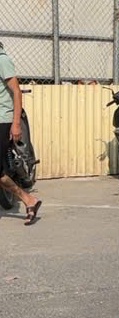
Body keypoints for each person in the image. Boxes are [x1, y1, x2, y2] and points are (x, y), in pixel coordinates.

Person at [0, 43, 41, 225]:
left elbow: (16, 92)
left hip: (3, 118)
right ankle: (29, 200)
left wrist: (16, 123)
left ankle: (28, 199)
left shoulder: (2, 60)